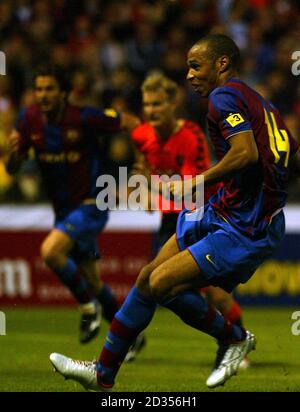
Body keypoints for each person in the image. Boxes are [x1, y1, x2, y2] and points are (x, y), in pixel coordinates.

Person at [50, 34, 300, 390]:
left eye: (196, 66)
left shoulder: (222, 96)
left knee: (161, 284)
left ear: (222, 64)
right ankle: (101, 373)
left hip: (246, 227)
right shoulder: (261, 102)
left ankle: (234, 338)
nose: (188, 75)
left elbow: (246, 153)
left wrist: (194, 182)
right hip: (222, 208)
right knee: (147, 277)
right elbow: (292, 158)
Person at [6, 64, 140, 344]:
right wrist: (14, 154)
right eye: (39, 88)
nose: (42, 95)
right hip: (65, 211)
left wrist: (143, 163)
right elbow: (13, 168)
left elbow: (131, 123)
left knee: (50, 251)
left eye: (49, 89)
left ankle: (88, 309)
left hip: (92, 204)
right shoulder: (28, 120)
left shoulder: (84, 117)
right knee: (93, 281)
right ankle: (130, 338)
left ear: (63, 93)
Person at [125, 72, 248, 364]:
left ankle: (237, 340)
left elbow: (191, 190)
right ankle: (129, 339)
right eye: (147, 104)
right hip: (170, 219)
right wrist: (141, 184)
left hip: (202, 215)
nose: (151, 110)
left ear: (172, 105)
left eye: (157, 104)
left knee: (212, 294)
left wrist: (151, 186)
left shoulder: (191, 136)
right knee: (153, 281)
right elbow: (142, 161)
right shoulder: (141, 135)